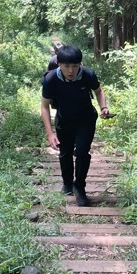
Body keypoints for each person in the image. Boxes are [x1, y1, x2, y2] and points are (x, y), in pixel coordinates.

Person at [40, 45, 110, 207]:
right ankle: (67, 183)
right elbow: (44, 106)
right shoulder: (50, 79)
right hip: (64, 121)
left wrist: (103, 107)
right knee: (65, 153)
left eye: (75, 66)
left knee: (82, 152)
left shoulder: (87, 75)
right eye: (66, 66)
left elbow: (99, 91)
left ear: (80, 64)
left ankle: (80, 186)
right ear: (59, 64)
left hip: (86, 120)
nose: (71, 70)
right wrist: (50, 133)